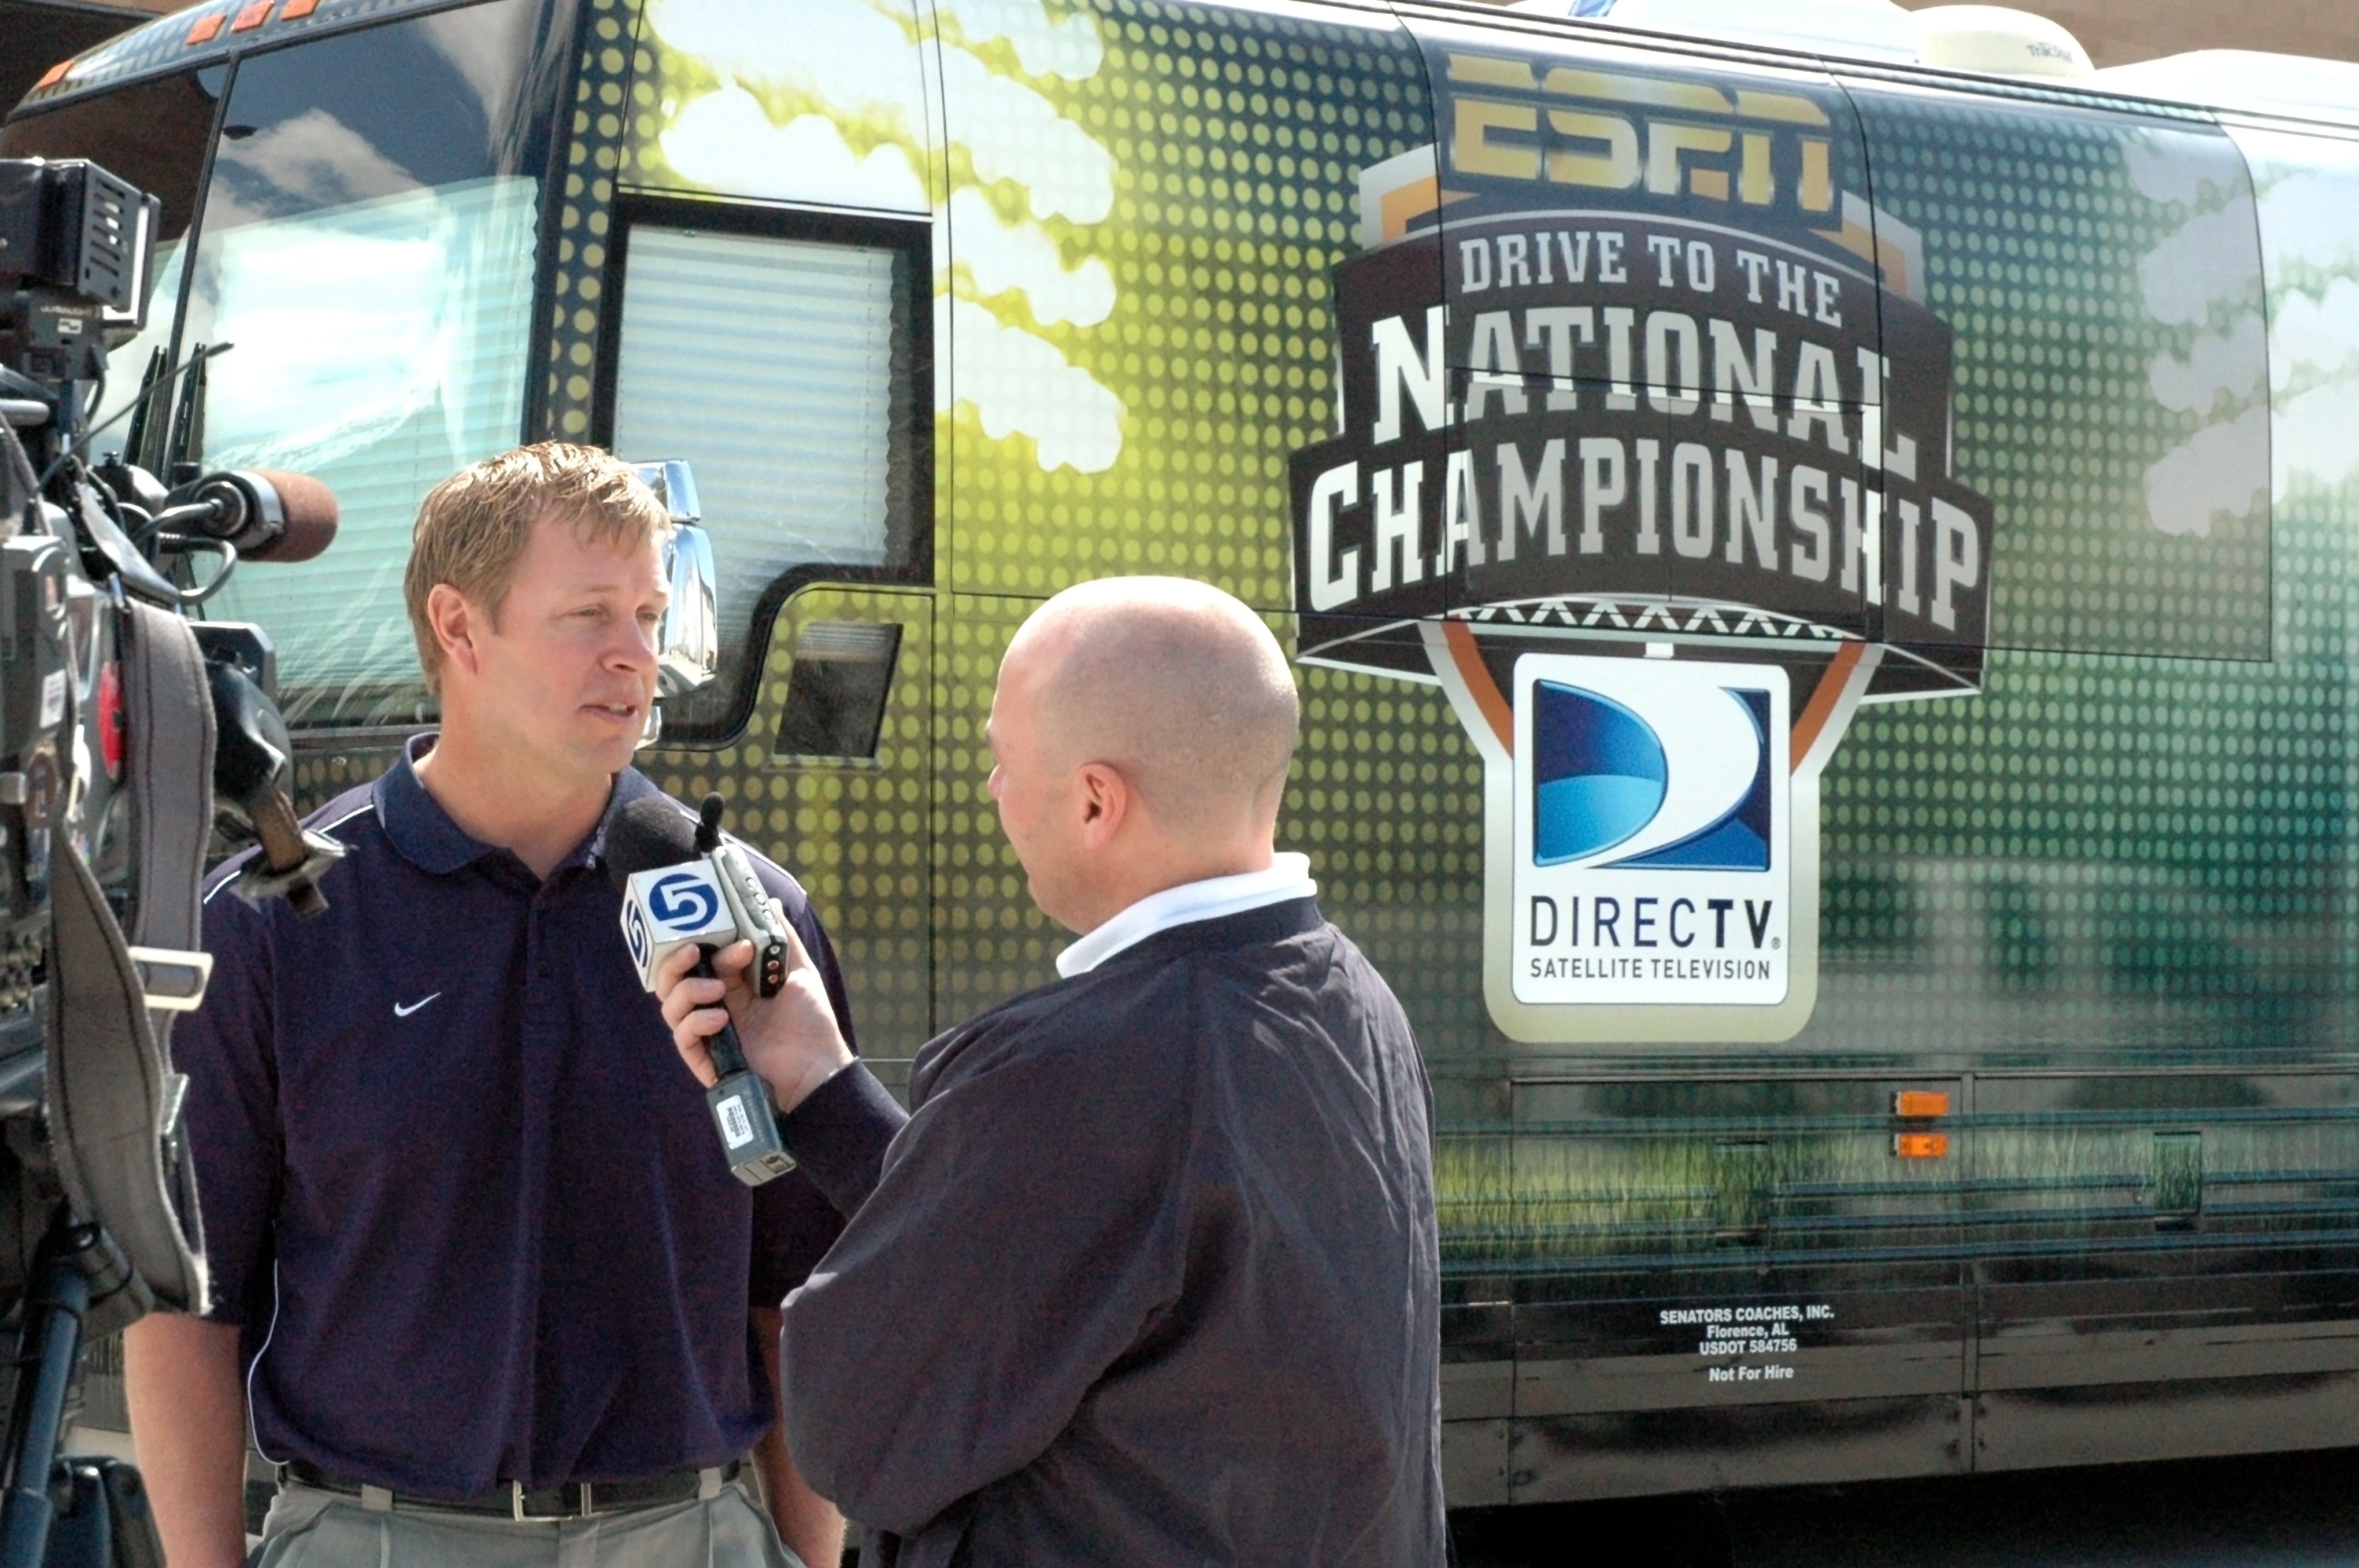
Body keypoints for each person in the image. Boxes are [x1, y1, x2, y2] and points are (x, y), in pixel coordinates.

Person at [125, 444, 854, 1568]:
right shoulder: (272, 927)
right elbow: (186, 1310)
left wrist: (817, 1560)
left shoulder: (752, 921)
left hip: (693, 1538)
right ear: (459, 628)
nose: (636, 658)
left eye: (652, 616)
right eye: (589, 615)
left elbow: (797, 1297)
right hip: (366, 1540)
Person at [658, 575, 1446, 1566]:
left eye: (1001, 759)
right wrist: (817, 1079)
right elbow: (1067, 1266)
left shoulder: (1077, 1069)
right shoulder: (1353, 1001)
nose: (991, 790)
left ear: (1093, 799)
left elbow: (858, 1432)